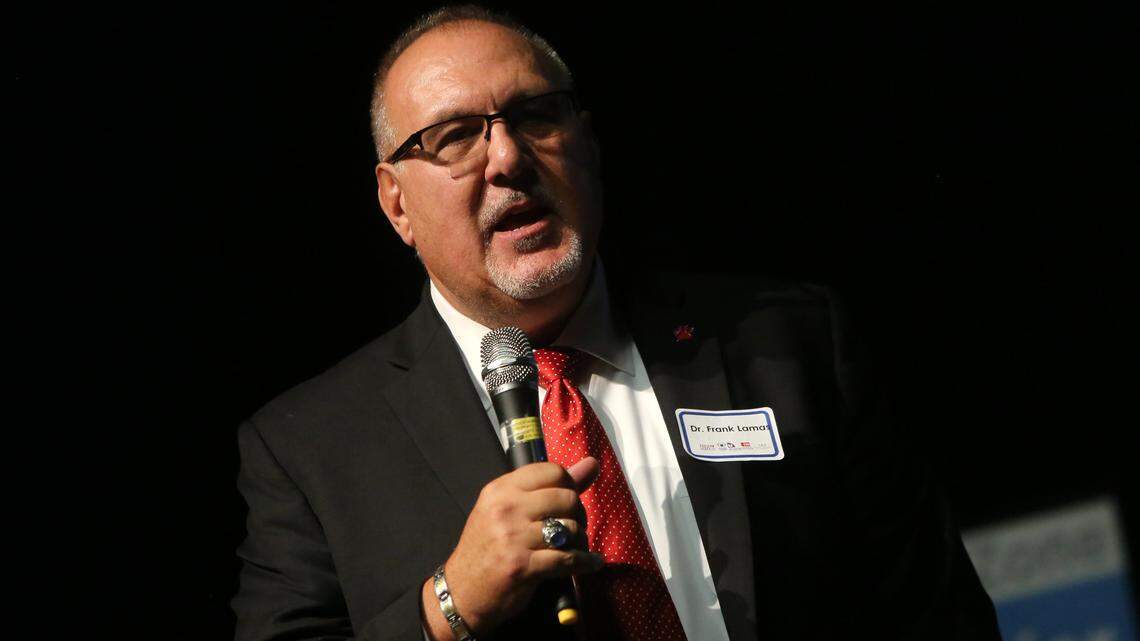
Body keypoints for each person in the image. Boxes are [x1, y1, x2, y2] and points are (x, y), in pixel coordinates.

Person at [231, 5, 1000, 641]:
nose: (507, 157)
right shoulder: (310, 446)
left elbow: (940, 619)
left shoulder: (788, 341)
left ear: (588, 143)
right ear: (396, 202)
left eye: (536, 114)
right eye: (456, 136)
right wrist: (448, 602)